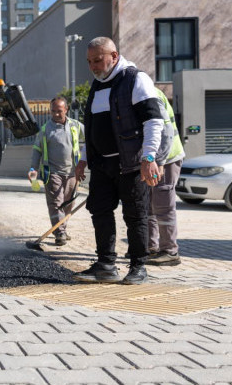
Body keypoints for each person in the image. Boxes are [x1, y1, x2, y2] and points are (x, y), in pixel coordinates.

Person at [73, 37, 173, 285]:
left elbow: (153, 121)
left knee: (136, 215)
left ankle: (138, 267)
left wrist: (149, 157)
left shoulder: (136, 79)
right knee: (100, 211)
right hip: (102, 165)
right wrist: (83, 159)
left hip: (131, 165)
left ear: (114, 56)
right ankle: (105, 265)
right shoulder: (96, 86)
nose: (93, 67)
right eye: (89, 62)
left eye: (98, 60)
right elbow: (91, 128)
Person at [28, 96, 86, 246]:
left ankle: (62, 228)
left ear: (66, 109)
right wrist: (33, 168)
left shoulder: (75, 125)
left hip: (72, 172)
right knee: (56, 203)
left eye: (59, 111)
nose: (56, 114)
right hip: (52, 172)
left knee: (68, 203)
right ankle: (60, 233)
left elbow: (91, 137)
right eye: (53, 111)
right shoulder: (45, 129)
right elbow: (37, 149)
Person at [146, 88, 185, 266]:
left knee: (163, 205)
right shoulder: (138, 91)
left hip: (167, 158)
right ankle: (151, 247)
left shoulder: (150, 94)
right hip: (153, 159)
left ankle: (170, 251)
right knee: (149, 204)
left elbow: (166, 130)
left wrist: (160, 160)